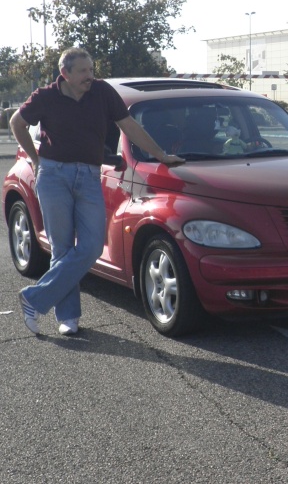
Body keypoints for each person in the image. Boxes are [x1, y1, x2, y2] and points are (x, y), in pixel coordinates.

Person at [10, 47, 185, 336]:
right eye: (83, 71)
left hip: (90, 176)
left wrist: (161, 154)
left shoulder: (102, 93)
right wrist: (35, 159)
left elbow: (129, 126)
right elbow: (17, 122)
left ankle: (34, 298)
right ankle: (68, 318)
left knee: (91, 247)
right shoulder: (45, 96)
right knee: (62, 248)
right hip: (53, 176)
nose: (90, 76)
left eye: (91, 70)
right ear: (64, 73)